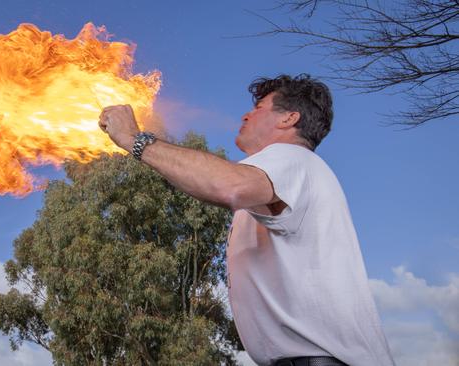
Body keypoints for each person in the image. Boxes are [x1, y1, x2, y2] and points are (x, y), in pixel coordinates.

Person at [98, 74, 395, 366]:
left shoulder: (292, 158)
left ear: (288, 119)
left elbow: (228, 185)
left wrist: (134, 139)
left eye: (259, 108)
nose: (246, 114)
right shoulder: (290, 173)